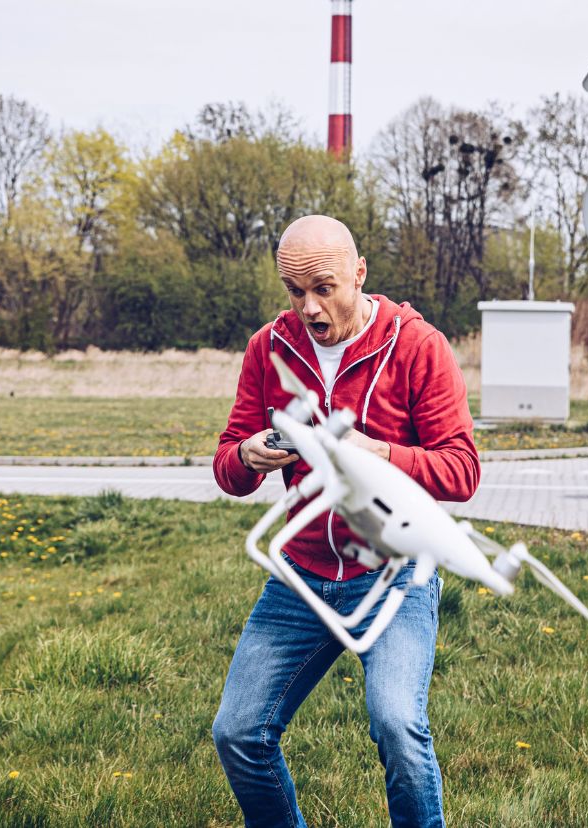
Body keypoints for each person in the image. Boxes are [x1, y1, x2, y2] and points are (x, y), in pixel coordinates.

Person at [210, 214, 480, 828]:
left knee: (397, 725)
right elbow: (229, 466)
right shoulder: (269, 349)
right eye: (294, 291)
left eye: (324, 287)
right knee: (238, 732)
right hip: (301, 575)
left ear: (359, 274)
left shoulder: (417, 346)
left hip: (393, 571)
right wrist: (246, 456)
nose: (309, 306)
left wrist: (377, 450)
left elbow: (462, 470)